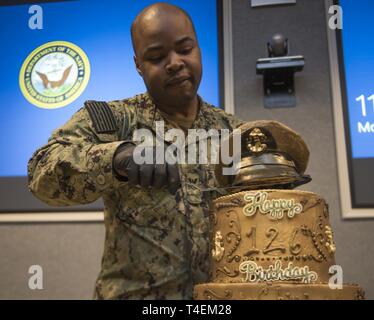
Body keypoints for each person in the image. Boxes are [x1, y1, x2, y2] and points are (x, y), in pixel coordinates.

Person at [27, 2, 244, 299]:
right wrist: (118, 158)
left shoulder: (233, 132)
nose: (175, 62)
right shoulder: (112, 121)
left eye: (185, 49)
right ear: (138, 65)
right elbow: (41, 172)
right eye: (156, 56)